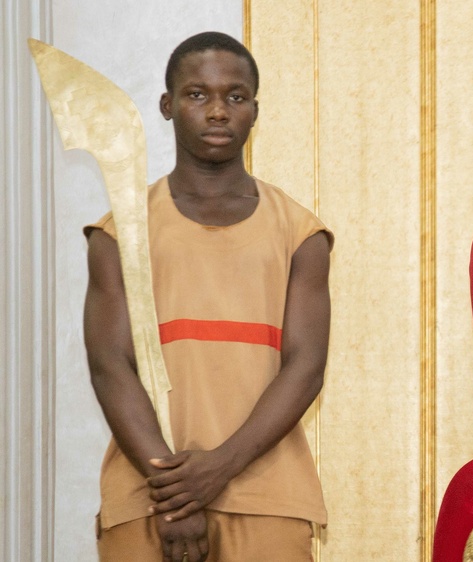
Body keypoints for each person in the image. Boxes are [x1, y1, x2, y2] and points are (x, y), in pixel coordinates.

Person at [84, 31, 331, 562]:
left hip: (268, 495)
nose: (218, 111)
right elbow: (109, 365)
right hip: (148, 494)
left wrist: (218, 467)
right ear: (167, 105)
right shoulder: (119, 232)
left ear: (255, 110)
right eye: (197, 94)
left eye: (235, 96)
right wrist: (176, 495)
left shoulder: (300, 233)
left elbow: (306, 367)